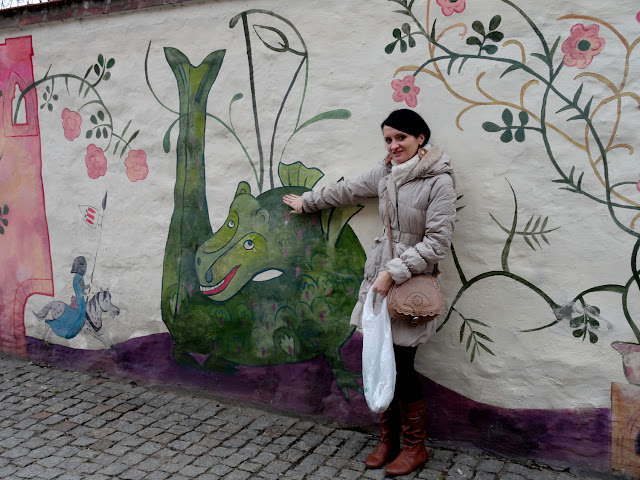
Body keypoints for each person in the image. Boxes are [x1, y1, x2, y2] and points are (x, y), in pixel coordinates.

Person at [283, 108, 456, 475]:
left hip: (408, 287)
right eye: (388, 140)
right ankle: (387, 440)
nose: (393, 146)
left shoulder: (439, 181)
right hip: (378, 282)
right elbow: (347, 190)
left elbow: (438, 242)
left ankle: (415, 446)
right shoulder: (386, 174)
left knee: (403, 365)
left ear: (420, 138)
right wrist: (307, 202)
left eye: (401, 138)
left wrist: (392, 273)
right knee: (378, 359)